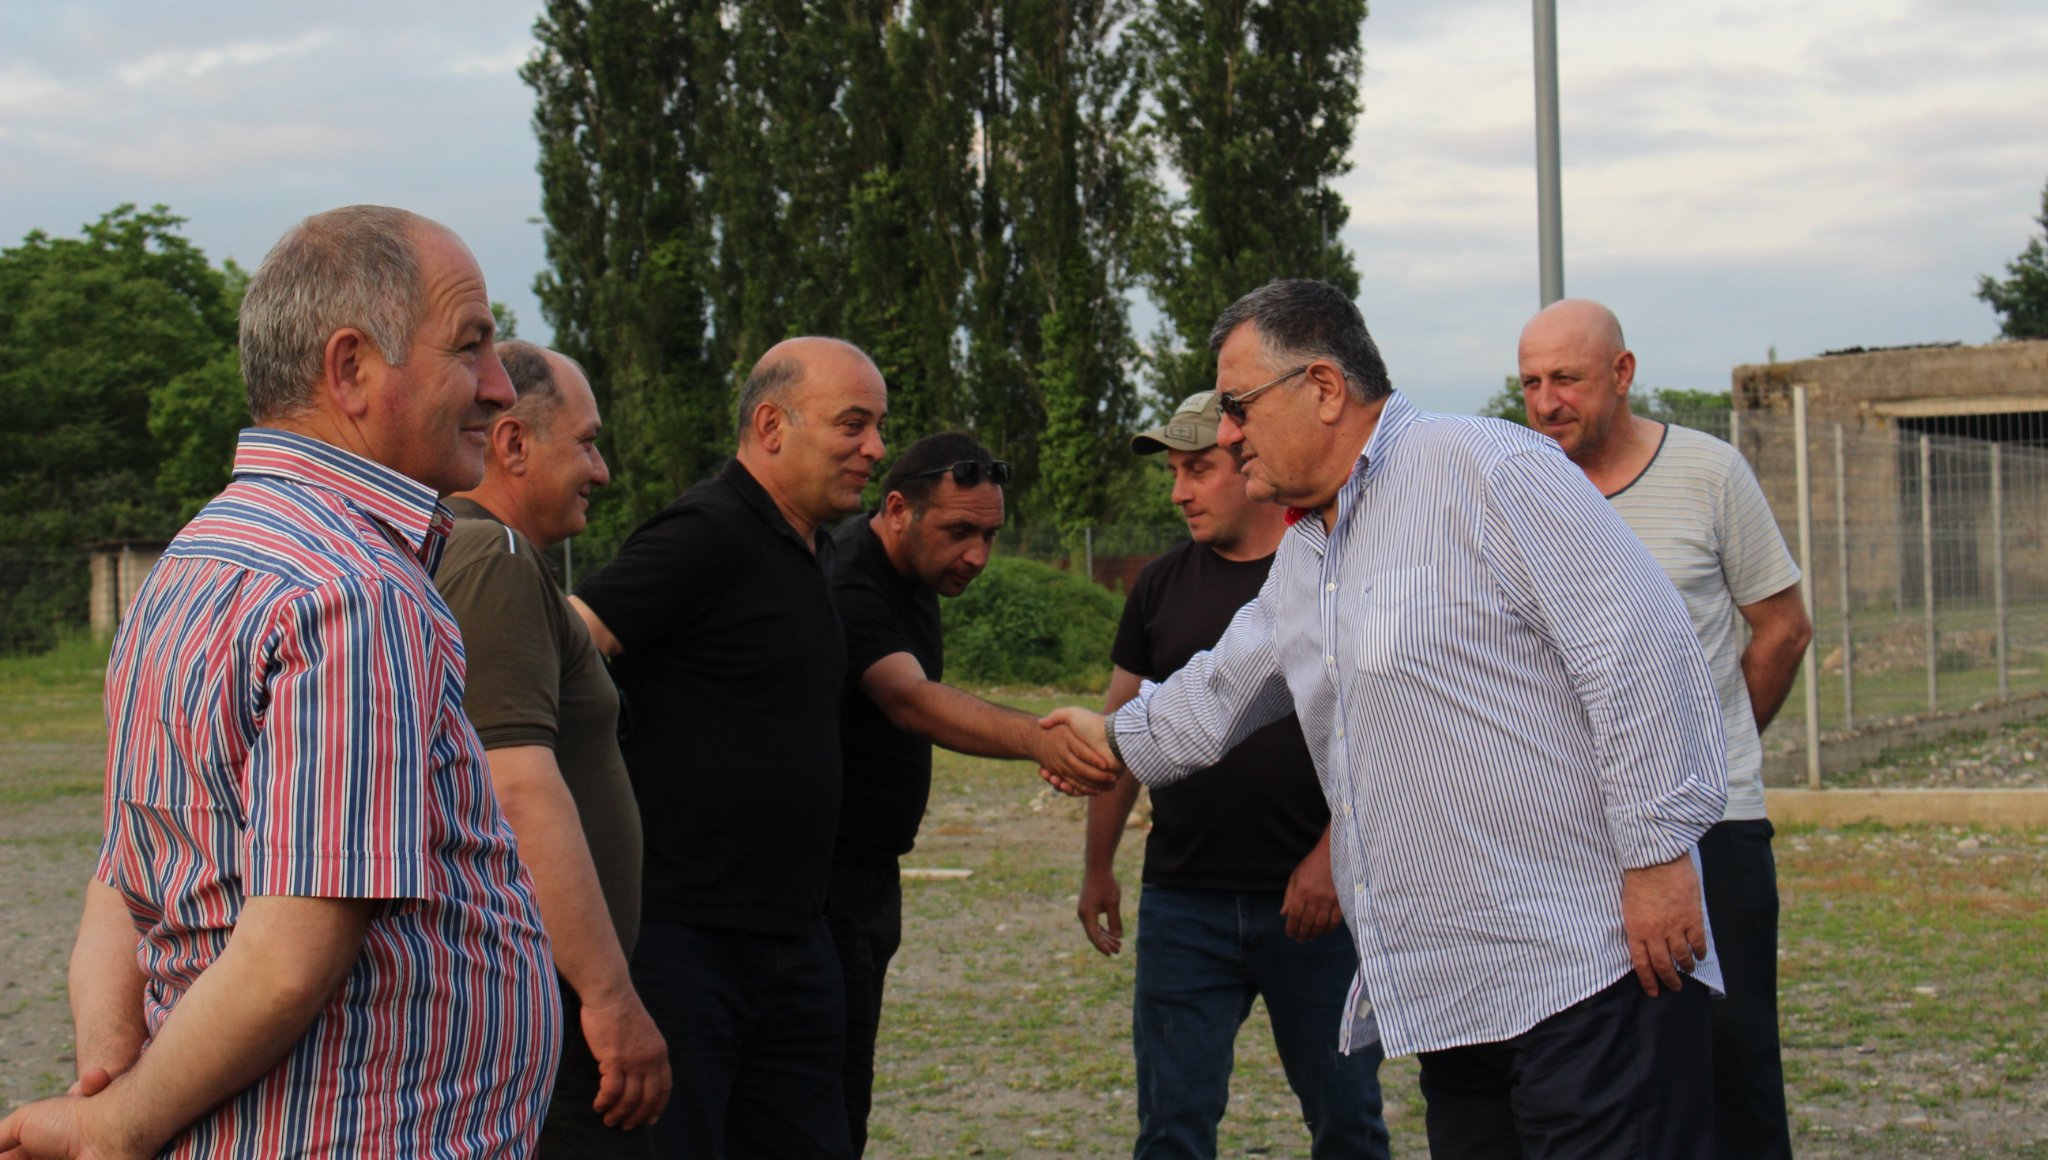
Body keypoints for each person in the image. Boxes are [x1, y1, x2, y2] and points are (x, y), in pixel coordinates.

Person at [1042, 279, 1731, 1159]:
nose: (1228, 433)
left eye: (1239, 406)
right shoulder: (1312, 547)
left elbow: (1639, 648)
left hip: (1590, 969)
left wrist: (1660, 856)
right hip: (1458, 997)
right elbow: (1222, 687)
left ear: (1324, 388)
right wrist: (1108, 739)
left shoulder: (1487, 469)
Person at [0, 206, 559, 1158]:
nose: (500, 386)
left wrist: (110, 1073)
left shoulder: (193, 560)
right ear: (351, 369)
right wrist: (114, 1128)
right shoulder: (353, 592)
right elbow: (290, 954)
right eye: (470, 345)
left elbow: (125, 873)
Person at [568, 337, 884, 1159]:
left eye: (879, 427)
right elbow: (572, 640)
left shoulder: (813, 550)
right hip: (687, 942)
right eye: (853, 424)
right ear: (772, 426)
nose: (875, 449)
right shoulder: (706, 531)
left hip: (794, 939)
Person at [1520, 298, 1812, 1159]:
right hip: (1571, 840)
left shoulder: (1709, 473)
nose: (1546, 402)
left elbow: (1783, 629)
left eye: (1565, 378)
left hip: (1707, 827)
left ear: (1622, 373)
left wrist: (1707, 752)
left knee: (1730, 1067)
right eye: (1530, 382)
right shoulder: (1518, 488)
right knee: (1612, 1078)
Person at [1076, 391, 1390, 1159]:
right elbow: (1122, 733)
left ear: (1249, 462)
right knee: (1171, 1129)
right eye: (1173, 473)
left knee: (1348, 1123)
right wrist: (1097, 867)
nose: (1179, 492)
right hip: (1185, 903)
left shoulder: (1334, 575)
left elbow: (1384, 740)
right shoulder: (1159, 586)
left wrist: (1331, 860)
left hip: (1315, 911)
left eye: (1199, 469)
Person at [826, 431, 1115, 1154]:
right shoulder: (850, 577)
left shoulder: (914, 576)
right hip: (824, 885)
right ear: (898, 510)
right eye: (959, 532)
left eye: (989, 535)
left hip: (868, 877)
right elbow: (909, 699)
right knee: (822, 1104)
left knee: (845, 1095)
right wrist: (1040, 740)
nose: (979, 556)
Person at [435, 340, 671, 1156]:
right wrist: (608, 997)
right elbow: (516, 788)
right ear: (512, 444)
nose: (600, 471)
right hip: (548, 1001)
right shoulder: (491, 558)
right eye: (587, 443)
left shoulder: (469, 553)